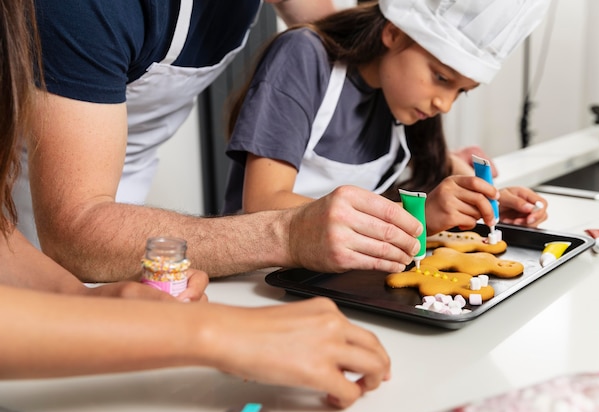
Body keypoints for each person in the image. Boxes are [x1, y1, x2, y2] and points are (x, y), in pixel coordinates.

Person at [0, 0, 390, 408]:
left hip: (61, 254)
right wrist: (213, 332)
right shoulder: (79, 10)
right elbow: (74, 228)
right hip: (41, 218)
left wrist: (84, 302)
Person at [15, 0, 424, 283]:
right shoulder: (86, 10)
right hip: (28, 214)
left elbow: (347, 33)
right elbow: (74, 229)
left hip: (128, 208)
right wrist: (287, 233)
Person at [223, 0, 549, 236]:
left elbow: (442, 166)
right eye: (441, 78)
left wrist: (489, 203)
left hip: (338, 272)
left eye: (462, 91)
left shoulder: (401, 98)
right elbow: (263, 203)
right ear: (393, 33)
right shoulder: (305, 55)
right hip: (259, 275)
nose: (445, 104)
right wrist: (414, 217)